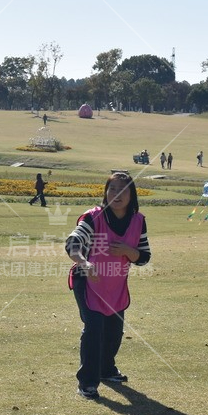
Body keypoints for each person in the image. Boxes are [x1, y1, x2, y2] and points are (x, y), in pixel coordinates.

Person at [65, 171, 151, 399]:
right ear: (105, 192)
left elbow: (143, 257)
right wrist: (84, 262)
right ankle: (87, 383)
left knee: (114, 332)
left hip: (115, 286)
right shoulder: (93, 218)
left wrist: (127, 251)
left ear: (132, 194)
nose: (117, 194)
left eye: (123, 189)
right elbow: (73, 242)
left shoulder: (138, 221)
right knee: (94, 329)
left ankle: (106, 369)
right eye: (112, 189)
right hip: (88, 282)